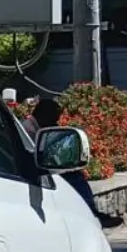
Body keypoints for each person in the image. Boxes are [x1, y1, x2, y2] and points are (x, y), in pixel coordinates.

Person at [30, 94, 109, 222]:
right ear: (44, 116)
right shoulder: (29, 130)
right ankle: (90, 211)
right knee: (73, 177)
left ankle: (91, 210)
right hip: (36, 171)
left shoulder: (39, 127)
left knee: (75, 173)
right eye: (53, 119)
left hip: (44, 167)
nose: (55, 123)